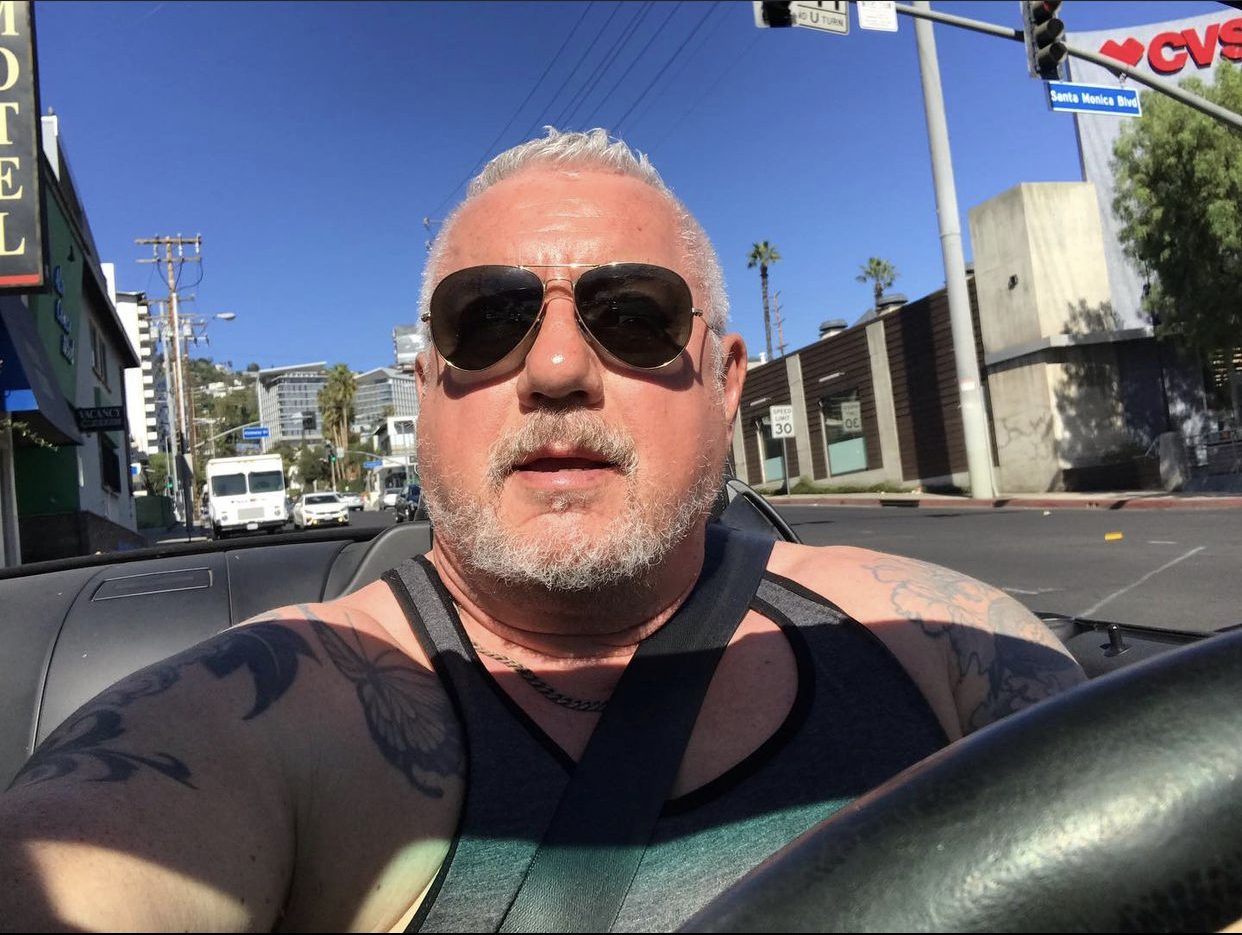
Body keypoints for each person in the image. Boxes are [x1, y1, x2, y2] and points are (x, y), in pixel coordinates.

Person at [0, 127, 1085, 932]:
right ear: (427, 387)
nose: (558, 367)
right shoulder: (266, 714)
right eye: (488, 320)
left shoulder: (936, 643)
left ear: (725, 382)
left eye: (633, 315)